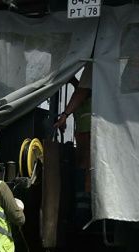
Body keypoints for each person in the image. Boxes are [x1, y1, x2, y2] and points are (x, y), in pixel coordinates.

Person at [54, 66, 93, 194]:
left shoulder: (94, 63)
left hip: (88, 125)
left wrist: (65, 115)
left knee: (86, 162)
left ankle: (83, 201)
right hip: (84, 123)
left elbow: (84, 91)